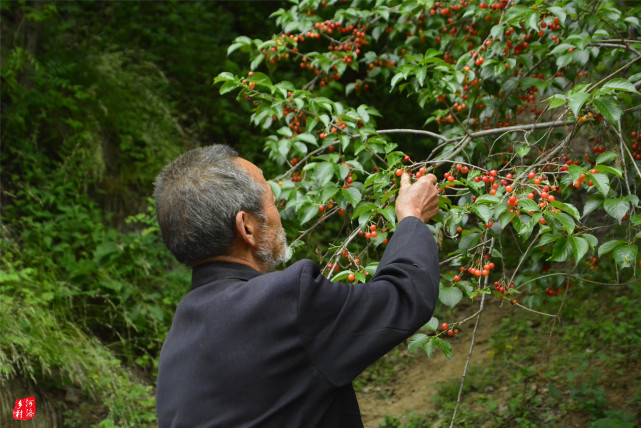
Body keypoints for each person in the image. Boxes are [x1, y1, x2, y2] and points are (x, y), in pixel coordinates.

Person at [154, 144, 440, 427]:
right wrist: (411, 215)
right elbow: (405, 294)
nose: (278, 212)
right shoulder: (284, 301)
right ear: (247, 228)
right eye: (272, 201)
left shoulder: (175, 344)